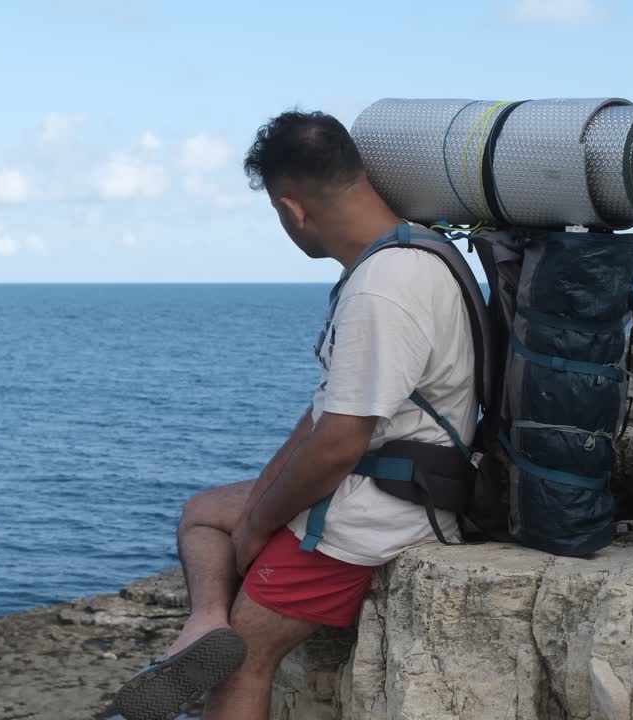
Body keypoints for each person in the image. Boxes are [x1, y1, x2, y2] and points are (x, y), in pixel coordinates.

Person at [107, 110, 476, 720]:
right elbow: (319, 421)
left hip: (384, 509)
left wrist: (257, 528)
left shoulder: (384, 288)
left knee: (246, 655)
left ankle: (221, 637)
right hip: (383, 478)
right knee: (204, 514)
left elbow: (337, 447)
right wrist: (255, 506)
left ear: (293, 209)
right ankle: (203, 625)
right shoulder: (412, 248)